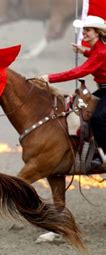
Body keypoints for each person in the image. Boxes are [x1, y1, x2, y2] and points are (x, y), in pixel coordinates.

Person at [38, 15, 106, 165]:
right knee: (83, 112)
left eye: (87, 30)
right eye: (84, 30)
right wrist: (86, 52)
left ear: (97, 32)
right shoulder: (98, 48)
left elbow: (79, 72)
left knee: (98, 118)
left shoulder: (100, 52)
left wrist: (50, 78)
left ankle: (102, 154)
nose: (84, 33)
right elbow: (96, 56)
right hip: (102, 89)